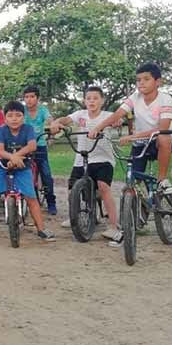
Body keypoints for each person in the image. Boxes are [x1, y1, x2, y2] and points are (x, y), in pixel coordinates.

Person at [0, 101, 56, 242]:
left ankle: (41, 229)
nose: (14, 119)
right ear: (5, 117)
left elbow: (32, 146)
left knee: (31, 197)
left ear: (23, 116)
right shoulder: (1, 130)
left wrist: (16, 157)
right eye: (10, 115)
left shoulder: (28, 129)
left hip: (22, 166)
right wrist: (13, 157)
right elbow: (0, 150)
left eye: (18, 115)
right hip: (1, 166)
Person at [89, 62, 172, 195]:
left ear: (158, 81)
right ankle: (137, 208)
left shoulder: (165, 99)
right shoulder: (135, 97)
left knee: (164, 136)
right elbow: (117, 114)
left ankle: (162, 181)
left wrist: (132, 137)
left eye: (146, 79)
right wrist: (98, 127)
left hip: (159, 143)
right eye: (138, 80)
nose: (141, 83)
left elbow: (162, 129)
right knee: (131, 186)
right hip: (140, 144)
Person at [49, 86, 122, 245]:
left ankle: (113, 225)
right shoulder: (80, 115)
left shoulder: (107, 115)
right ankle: (75, 215)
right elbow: (65, 120)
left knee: (103, 187)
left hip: (103, 159)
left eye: (95, 98)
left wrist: (117, 123)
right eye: (88, 98)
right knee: (72, 188)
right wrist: (56, 122)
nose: (91, 101)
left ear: (102, 101)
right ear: (84, 101)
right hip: (82, 158)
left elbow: (118, 120)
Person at [22, 86, 57, 215]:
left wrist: (52, 125)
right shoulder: (22, 110)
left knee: (46, 175)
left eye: (32, 97)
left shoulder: (43, 110)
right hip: (24, 146)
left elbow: (49, 120)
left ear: (37, 98)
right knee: (23, 172)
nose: (29, 100)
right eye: (26, 97)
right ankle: (28, 200)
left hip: (40, 145)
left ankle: (51, 202)